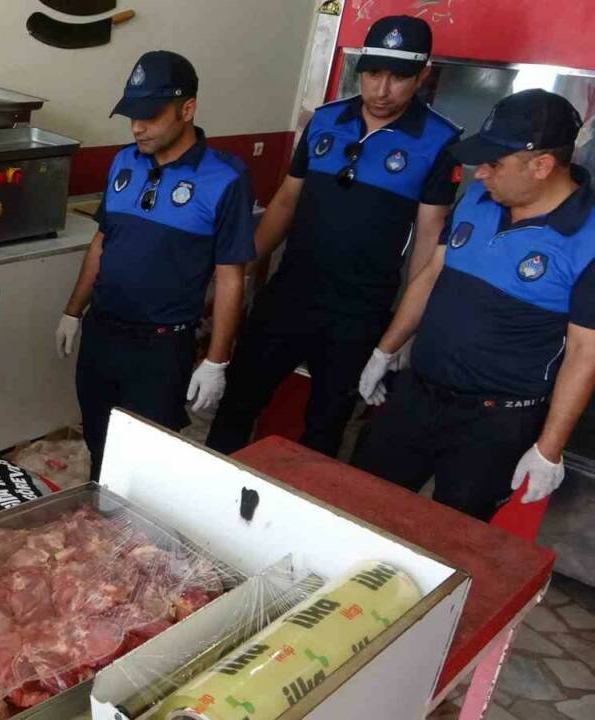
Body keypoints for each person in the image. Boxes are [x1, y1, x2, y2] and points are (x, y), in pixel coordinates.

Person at [206, 15, 462, 458]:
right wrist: (240, 275)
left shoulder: (440, 141)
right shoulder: (325, 121)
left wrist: (405, 329)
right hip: (290, 293)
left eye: (399, 77)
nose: (382, 90)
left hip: (360, 311)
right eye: (373, 73)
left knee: (326, 426)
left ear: (423, 76)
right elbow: (285, 203)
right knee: (238, 400)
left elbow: (428, 237)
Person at [353, 89, 595, 521]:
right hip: (417, 395)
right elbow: (431, 275)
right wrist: (384, 350)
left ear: (542, 166)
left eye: (494, 163)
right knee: (363, 504)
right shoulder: (479, 199)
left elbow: (584, 351)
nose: (480, 173)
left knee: (456, 533)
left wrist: (549, 448)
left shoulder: (588, 239)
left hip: (495, 423)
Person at [55, 50, 255, 476]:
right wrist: (72, 311)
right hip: (102, 335)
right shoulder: (124, 162)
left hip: (161, 349)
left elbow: (231, 278)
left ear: (187, 109)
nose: (137, 127)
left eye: (150, 115)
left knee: (144, 463)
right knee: (98, 442)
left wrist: (217, 360)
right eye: (132, 115)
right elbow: (102, 242)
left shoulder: (224, 178)